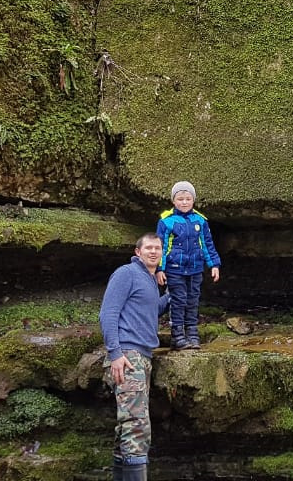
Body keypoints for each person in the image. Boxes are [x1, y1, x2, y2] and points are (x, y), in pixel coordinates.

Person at [99, 232, 170, 481]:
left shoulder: (150, 280)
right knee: (137, 424)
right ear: (137, 252)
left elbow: (151, 309)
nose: (153, 252)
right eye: (148, 248)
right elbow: (108, 313)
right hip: (128, 355)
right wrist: (115, 353)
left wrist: (173, 296)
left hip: (142, 355)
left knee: (127, 424)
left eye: (158, 248)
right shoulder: (126, 273)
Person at [155, 181, 221, 349]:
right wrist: (160, 269)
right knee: (178, 300)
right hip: (174, 270)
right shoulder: (166, 221)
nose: (184, 202)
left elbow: (207, 244)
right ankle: (177, 336)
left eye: (188, 199)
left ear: (193, 200)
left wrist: (214, 264)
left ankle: (192, 335)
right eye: (180, 199)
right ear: (173, 201)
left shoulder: (200, 220)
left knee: (192, 300)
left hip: (195, 269)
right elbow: (160, 248)